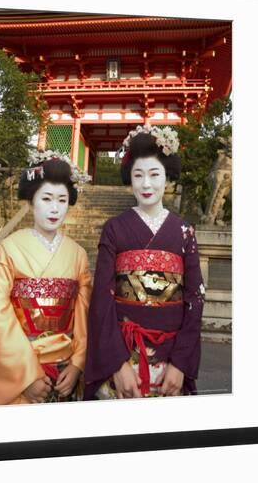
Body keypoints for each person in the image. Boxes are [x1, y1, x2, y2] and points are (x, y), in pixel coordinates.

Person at [84, 124, 205, 400]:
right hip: (124, 352)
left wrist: (180, 364)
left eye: (154, 174)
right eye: (138, 175)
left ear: (168, 177)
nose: (146, 184)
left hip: (171, 356)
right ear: (130, 178)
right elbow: (102, 299)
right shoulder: (114, 229)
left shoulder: (185, 232)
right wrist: (116, 363)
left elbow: (194, 299)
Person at [0, 151, 92, 405]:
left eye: (62, 200)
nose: (54, 208)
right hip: (20, 364)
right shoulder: (10, 248)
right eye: (46, 198)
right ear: (31, 201)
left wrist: (77, 366)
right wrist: (26, 377)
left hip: (65, 371)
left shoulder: (78, 255)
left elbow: (83, 319)